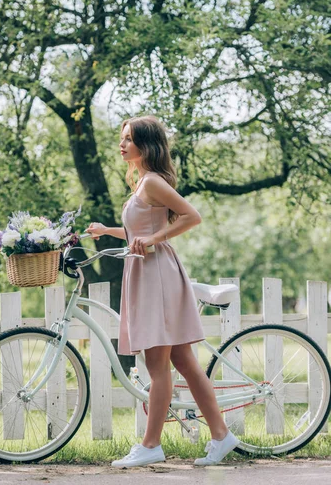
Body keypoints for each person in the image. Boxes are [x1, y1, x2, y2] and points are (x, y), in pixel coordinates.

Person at [86, 115, 239, 468]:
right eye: (121, 138)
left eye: (128, 138)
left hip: (157, 276)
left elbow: (191, 216)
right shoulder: (143, 183)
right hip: (150, 273)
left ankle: (151, 444)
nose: (121, 144)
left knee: (158, 368)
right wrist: (109, 230)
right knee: (183, 361)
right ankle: (221, 435)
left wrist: (153, 240)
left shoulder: (152, 182)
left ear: (146, 144)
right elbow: (141, 230)